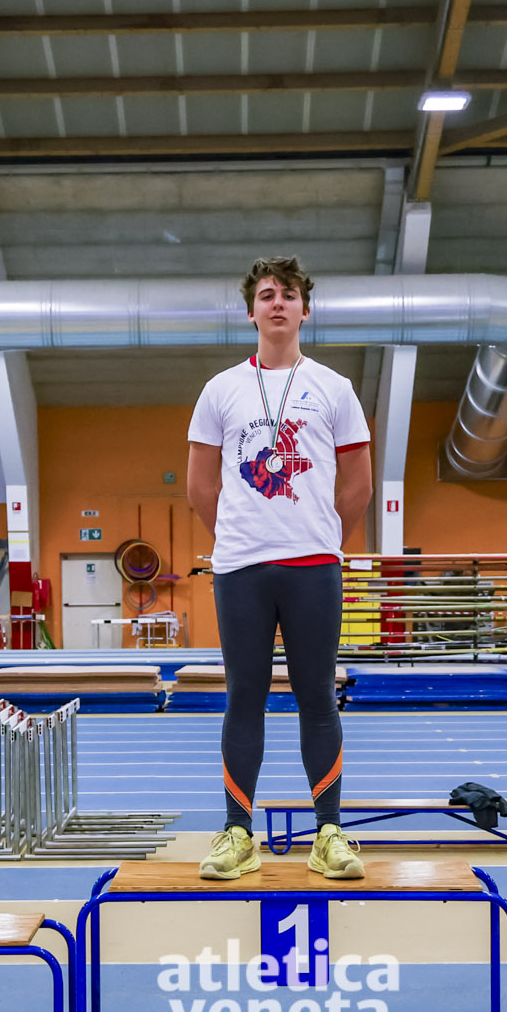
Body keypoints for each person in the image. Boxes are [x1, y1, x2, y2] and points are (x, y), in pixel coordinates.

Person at [187, 256, 372, 881]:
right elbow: (200, 485)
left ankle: (329, 833)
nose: (277, 304)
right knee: (245, 696)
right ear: (251, 311)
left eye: (289, 294)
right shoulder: (220, 390)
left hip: (313, 565)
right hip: (241, 567)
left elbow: (359, 484)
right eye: (267, 294)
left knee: (317, 696)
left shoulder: (335, 388)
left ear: (304, 310)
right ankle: (238, 835)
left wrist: (321, 535)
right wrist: (239, 537)